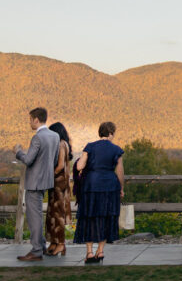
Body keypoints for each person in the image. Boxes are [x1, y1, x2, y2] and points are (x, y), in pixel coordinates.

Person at [13, 107, 60, 261]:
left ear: (36, 119)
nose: (29, 123)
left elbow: (28, 160)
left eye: (30, 119)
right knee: (38, 215)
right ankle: (41, 246)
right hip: (46, 181)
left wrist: (18, 151)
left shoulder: (37, 138)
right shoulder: (55, 136)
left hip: (34, 183)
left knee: (34, 217)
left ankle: (36, 250)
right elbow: (54, 160)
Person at [74, 121, 125, 263]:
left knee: (89, 216)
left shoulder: (90, 146)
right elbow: (120, 172)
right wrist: (121, 188)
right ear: (111, 133)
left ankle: (89, 252)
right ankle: (100, 251)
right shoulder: (116, 149)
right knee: (106, 216)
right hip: (110, 185)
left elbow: (80, 166)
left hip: (91, 185)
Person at [46, 122, 72, 256]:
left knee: (58, 215)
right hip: (59, 184)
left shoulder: (61, 144)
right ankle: (53, 242)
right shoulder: (64, 144)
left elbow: (61, 165)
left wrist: (50, 174)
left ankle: (60, 244)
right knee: (52, 214)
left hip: (59, 184)